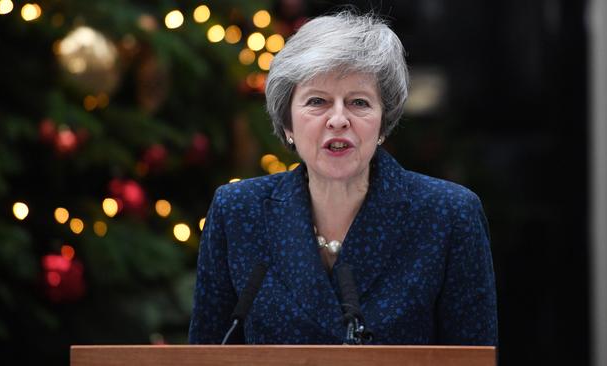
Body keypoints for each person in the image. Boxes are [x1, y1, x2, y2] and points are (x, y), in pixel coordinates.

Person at [189, 11, 497, 345]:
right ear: (288, 124)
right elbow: (208, 350)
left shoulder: (449, 215)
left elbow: (473, 355)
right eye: (317, 101)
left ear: (383, 122)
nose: (338, 119)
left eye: (358, 102)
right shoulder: (237, 211)